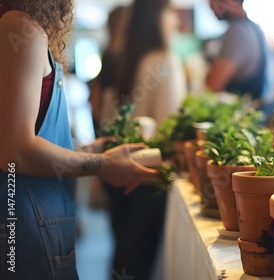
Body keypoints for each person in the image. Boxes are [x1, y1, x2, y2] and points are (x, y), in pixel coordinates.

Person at [0, 0, 161, 279]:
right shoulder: (20, 27)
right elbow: (17, 153)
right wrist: (100, 165)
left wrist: (79, 151)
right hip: (22, 222)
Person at [102, 0, 187, 278]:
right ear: (157, 16)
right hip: (149, 176)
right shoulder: (164, 60)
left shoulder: (121, 55)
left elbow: (106, 117)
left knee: (124, 258)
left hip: (119, 171)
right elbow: (169, 128)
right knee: (140, 263)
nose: (175, 20)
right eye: (171, 12)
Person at [205, 0, 274, 115]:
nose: (210, 6)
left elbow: (212, 86)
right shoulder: (254, 27)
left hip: (247, 117)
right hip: (262, 112)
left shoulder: (237, 31)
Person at [87, 5, 129, 137]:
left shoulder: (110, 53)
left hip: (107, 117)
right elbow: (98, 91)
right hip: (110, 118)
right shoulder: (114, 56)